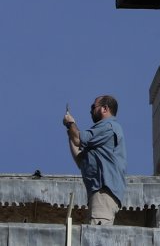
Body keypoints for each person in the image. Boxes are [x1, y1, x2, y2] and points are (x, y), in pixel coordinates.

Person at [63, 95, 127, 226]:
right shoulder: (99, 140)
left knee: (97, 236)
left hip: (103, 192)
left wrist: (70, 123)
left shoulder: (108, 126)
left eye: (93, 107)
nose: (90, 110)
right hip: (99, 193)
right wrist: (70, 131)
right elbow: (80, 160)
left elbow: (78, 139)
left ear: (104, 109)